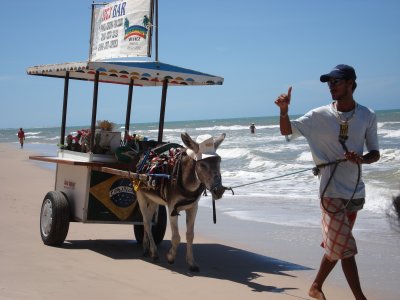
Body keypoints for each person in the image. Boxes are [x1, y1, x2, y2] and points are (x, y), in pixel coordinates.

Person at [274, 64, 380, 300]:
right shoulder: (317, 116)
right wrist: (284, 111)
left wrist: (361, 159)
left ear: (351, 83)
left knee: (337, 245)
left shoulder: (367, 115)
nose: (331, 86)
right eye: (329, 82)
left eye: (336, 81)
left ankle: (315, 287)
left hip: (354, 193)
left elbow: (375, 153)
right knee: (346, 248)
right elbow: (287, 131)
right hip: (329, 192)